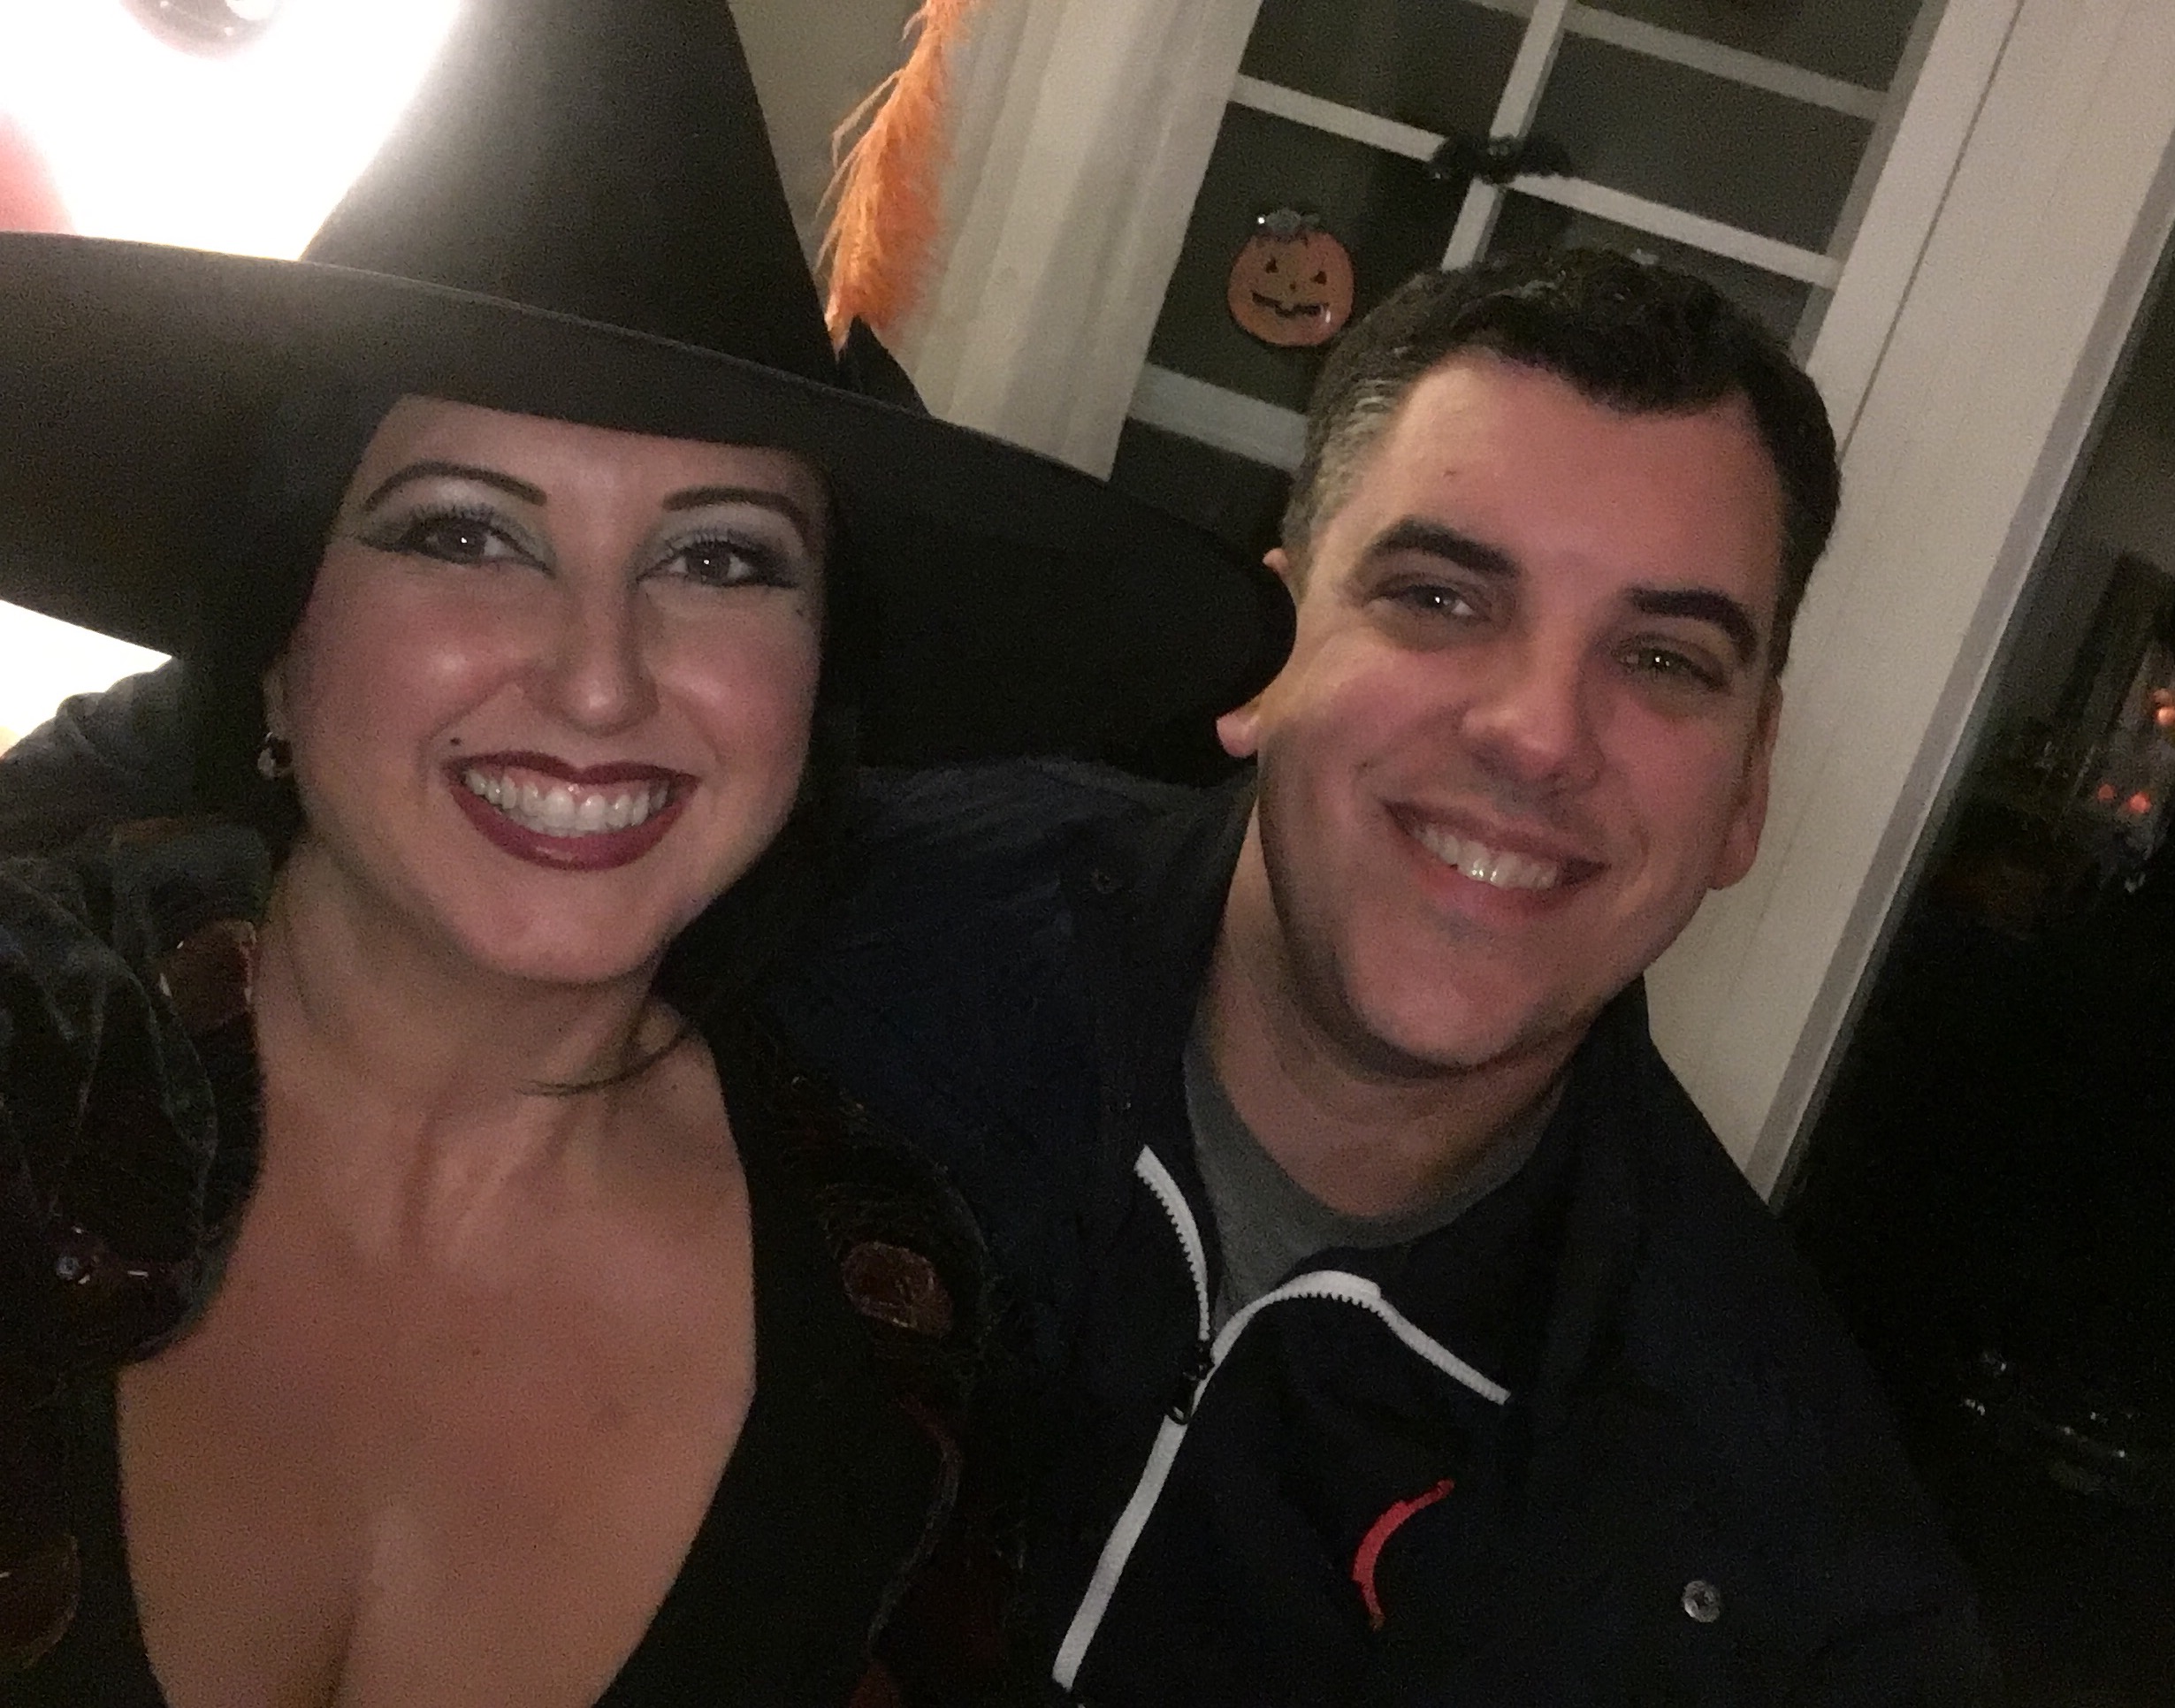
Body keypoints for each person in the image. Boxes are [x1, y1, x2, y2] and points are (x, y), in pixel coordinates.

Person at [4, 248, 1990, 1699]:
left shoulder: (1776, 1572)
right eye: (1438, 596)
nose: (1537, 735)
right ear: (1274, 656)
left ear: (1750, 787)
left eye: (1665, 660)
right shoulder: (825, 887)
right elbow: (317, 762)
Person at [0, 2, 1286, 1704]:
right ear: (275, 642)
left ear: (816, 679)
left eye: (722, 561)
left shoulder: (893, 1338)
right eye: (467, 534)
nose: (600, 679)